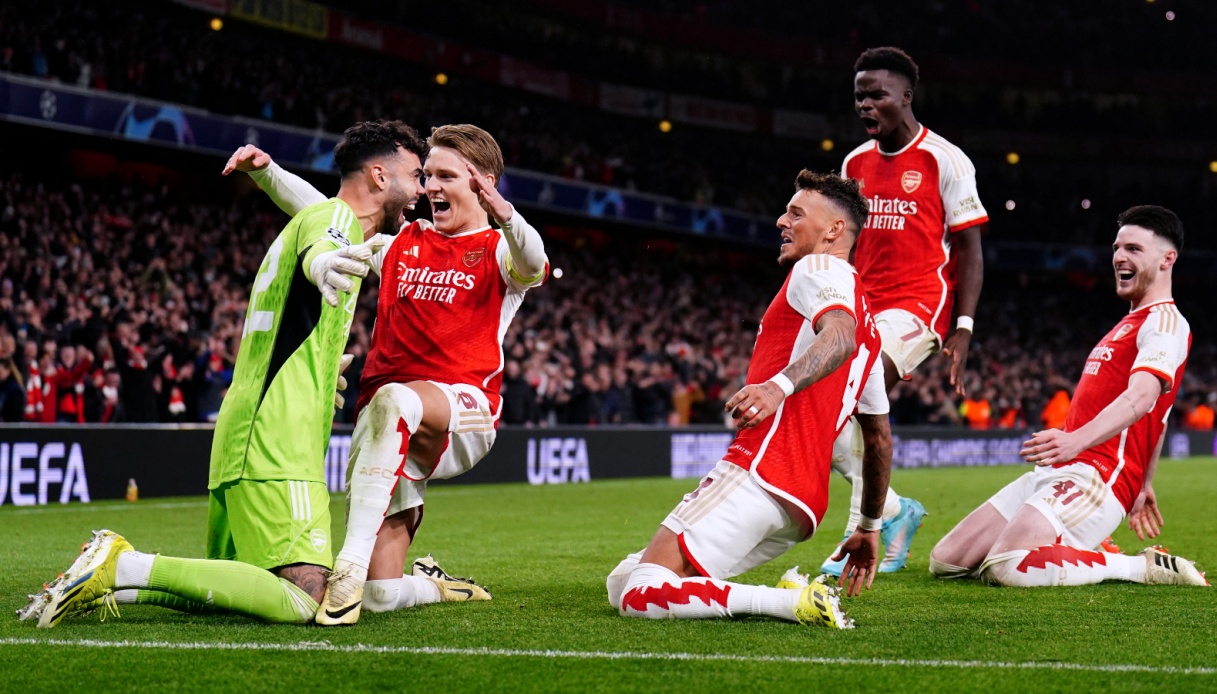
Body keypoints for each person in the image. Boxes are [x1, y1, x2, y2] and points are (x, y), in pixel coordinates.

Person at [24, 120, 429, 628]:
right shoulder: (336, 222)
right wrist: (322, 265)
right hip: (278, 442)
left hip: (245, 430)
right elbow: (321, 253)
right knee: (307, 597)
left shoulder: (319, 220)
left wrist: (324, 370)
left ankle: (111, 584)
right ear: (379, 176)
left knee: (236, 586)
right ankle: (124, 564)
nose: (421, 190)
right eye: (416, 175)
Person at [228, 123, 549, 625]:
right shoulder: (402, 243)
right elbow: (328, 214)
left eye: (446, 176)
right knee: (381, 594)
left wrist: (506, 214)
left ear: (483, 184)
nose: (431, 187)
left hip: (463, 412)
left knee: (396, 398)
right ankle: (433, 585)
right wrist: (268, 173)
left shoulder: (497, 249)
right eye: (428, 175)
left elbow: (534, 261)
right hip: (387, 426)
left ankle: (348, 569)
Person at [605, 170, 892, 629]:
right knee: (621, 580)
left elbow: (838, 337)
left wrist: (777, 387)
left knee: (639, 595)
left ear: (834, 230)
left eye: (796, 214)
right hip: (801, 505)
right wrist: (870, 526)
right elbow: (877, 439)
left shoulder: (818, 269)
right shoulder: (871, 326)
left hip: (761, 471)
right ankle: (791, 594)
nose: (782, 221)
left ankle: (792, 604)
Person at [929, 206, 1208, 588]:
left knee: (1006, 566)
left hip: (1098, 477)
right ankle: (1075, 546)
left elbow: (1144, 398)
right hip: (1058, 471)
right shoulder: (1128, 324)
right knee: (946, 561)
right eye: (1117, 247)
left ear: (1167, 259)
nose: (1119, 257)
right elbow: (1160, 415)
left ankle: (1136, 566)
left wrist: (1077, 441)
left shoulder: (1165, 322)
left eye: (1134, 249)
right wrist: (1145, 486)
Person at [822, 46, 989, 576]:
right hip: (861, 306)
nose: (865, 105)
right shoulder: (853, 164)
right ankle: (894, 509)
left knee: (858, 390)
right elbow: (840, 246)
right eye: (859, 97)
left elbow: (970, 249)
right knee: (824, 420)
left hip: (918, 307)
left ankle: (858, 534)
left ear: (906, 96)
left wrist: (963, 328)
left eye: (877, 95)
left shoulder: (945, 159)